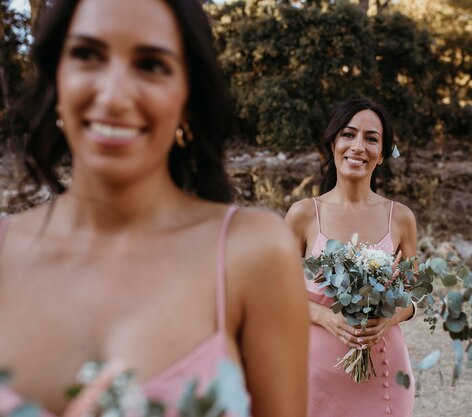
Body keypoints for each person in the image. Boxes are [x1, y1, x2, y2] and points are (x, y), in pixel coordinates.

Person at [0, 1, 309, 417]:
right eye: (87, 55)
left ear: (187, 99)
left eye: (151, 64)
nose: (113, 95)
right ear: (58, 78)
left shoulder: (253, 253)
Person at [285, 98, 418, 417]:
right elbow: (275, 295)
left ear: (383, 153)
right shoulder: (303, 215)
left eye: (371, 138)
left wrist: (393, 316)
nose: (358, 146)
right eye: (348, 134)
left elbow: (414, 294)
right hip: (314, 375)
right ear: (333, 143)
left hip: (384, 373)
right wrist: (326, 317)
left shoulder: (400, 218)